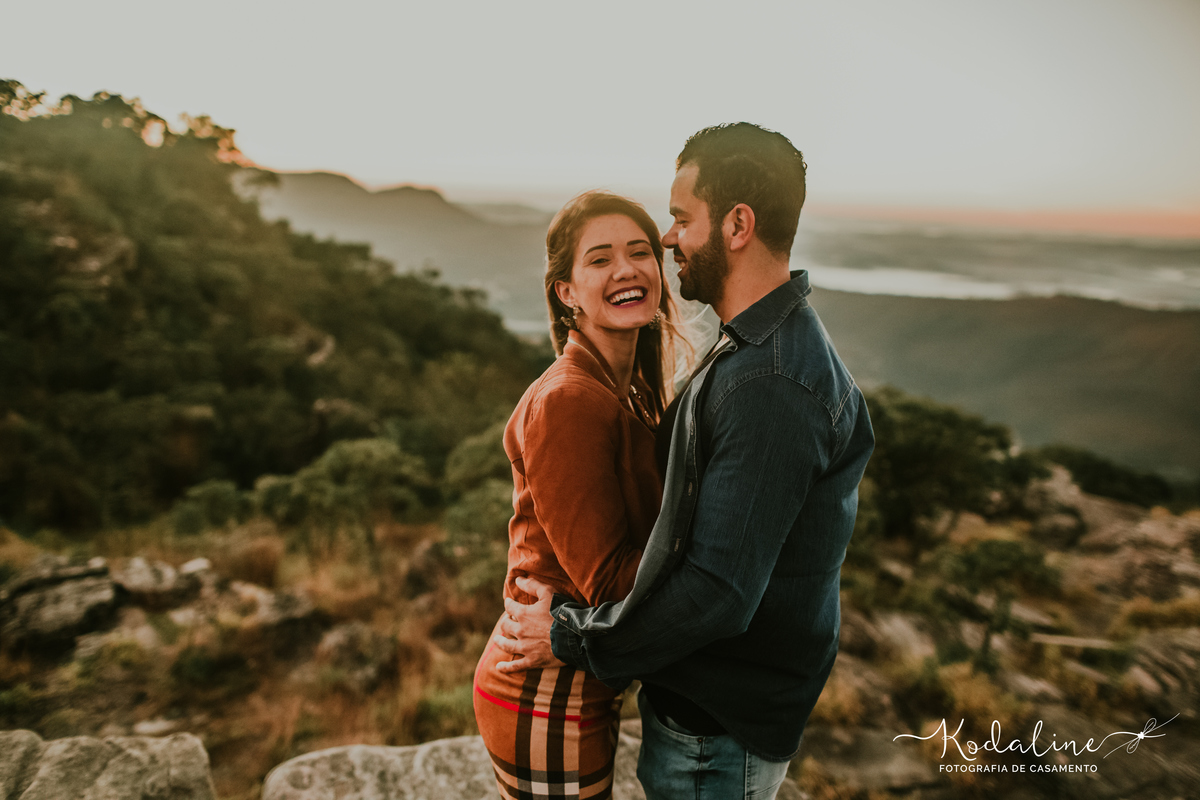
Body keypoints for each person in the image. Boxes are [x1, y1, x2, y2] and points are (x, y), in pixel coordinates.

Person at [493, 123, 876, 800]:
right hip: (700, 712)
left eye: (678, 219)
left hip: (716, 726)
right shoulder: (752, 354)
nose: (670, 240)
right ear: (566, 290)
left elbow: (716, 594)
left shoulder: (770, 383)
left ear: (737, 225)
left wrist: (572, 637)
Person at [472, 190, 686, 800]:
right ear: (566, 292)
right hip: (544, 692)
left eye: (639, 252)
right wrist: (717, 563)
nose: (626, 269)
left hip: (576, 679)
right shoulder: (570, 400)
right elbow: (610, 581)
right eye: (599, 259)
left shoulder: (627, 389)